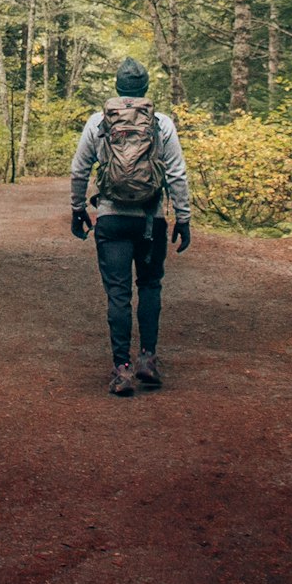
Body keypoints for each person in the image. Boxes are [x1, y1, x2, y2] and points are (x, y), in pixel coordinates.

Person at [70, 58, 191, 396]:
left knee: (119, 294)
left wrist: (78, 209)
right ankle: (147, 360)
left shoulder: (98, 122)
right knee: (150, 287)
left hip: (112, 218)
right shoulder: (161, 122)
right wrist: (183, 217)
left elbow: (79, 170)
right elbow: (177, 173)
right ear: (145, 89)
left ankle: (122, 369)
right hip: (151, 220)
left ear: (118, 87)